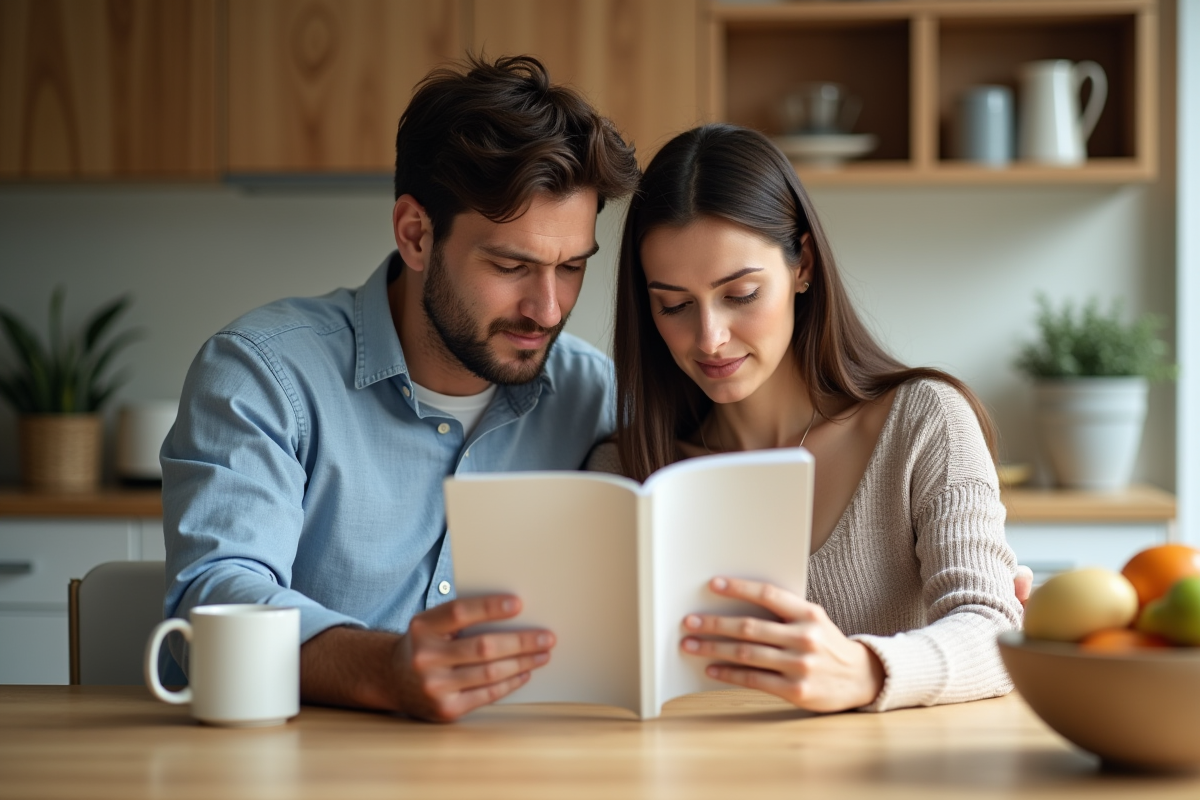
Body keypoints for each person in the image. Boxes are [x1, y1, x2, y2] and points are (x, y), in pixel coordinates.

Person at [162, 55, 640, 722]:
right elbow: (218, 597)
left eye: (571, 268)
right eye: (511, 265)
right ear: (416, 234)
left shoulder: (596, 398)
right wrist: (382, 669)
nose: (549, 309)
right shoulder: (264, 375)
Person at [590, 123, 1025, 713]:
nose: (710, 338)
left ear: (804, 266)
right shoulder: (628, 470)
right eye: (674, 305)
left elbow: (992, 631)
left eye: (740, 294)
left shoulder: (922, 423)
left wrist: (866, 671)